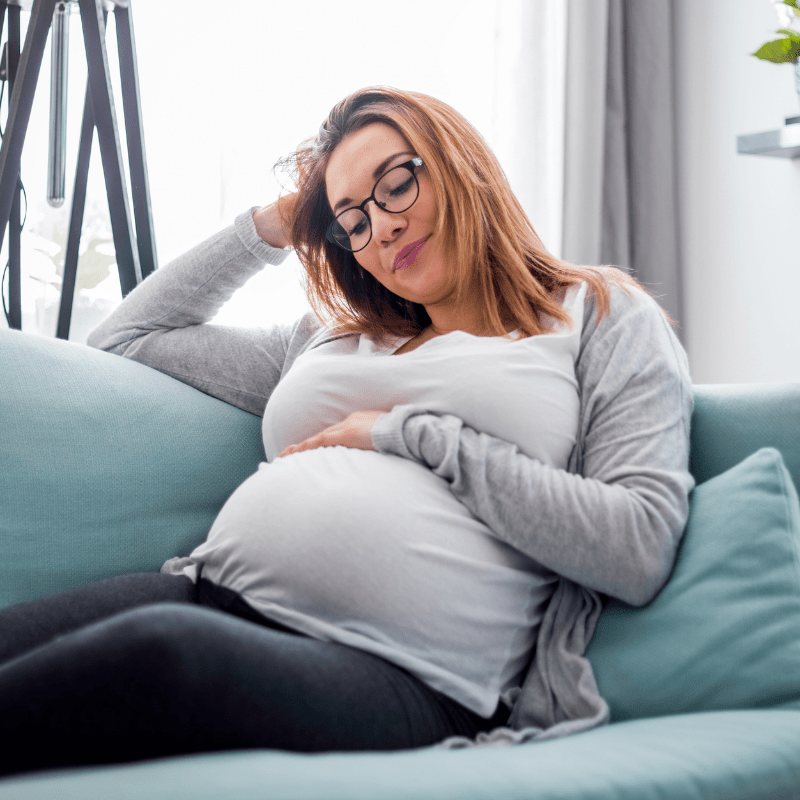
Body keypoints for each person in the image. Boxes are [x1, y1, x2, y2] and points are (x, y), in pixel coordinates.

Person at [0, 87, 694, 777]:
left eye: (395, 184)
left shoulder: (598, 314)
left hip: (413, 677)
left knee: (161, 655)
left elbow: (636, 545)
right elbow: (126, 337)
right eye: (351, 221)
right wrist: (274, 225)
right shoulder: (329, 340)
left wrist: (412, 434)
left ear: (460, 163)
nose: (382, 228)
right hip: (208, 593)